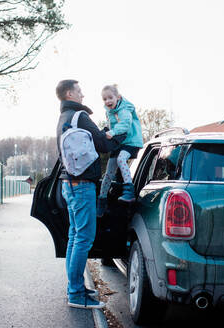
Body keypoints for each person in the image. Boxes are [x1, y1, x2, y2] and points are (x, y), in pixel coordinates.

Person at [56, 80, 120, 309]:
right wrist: (119, 135)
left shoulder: (63, 119)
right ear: (70, 93)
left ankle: (76, 289)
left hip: (69, 184)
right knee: (83, 239)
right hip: (82, 186)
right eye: (80, 91)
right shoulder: (79, 117)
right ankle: (76, 295)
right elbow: (103, 144)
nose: (83, 95)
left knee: (75, 238)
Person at [97, 85, 143, 217]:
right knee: (108, 173)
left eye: (110, 98)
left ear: (118, 97)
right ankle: (102, 199)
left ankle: (129, 191)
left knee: (121, 159)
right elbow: (113, 126)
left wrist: (113, 132)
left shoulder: (124, 109)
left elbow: (125, 124)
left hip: (131, 141)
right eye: (104, 99)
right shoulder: (109, 111)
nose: (107, 101)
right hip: (119, 142)